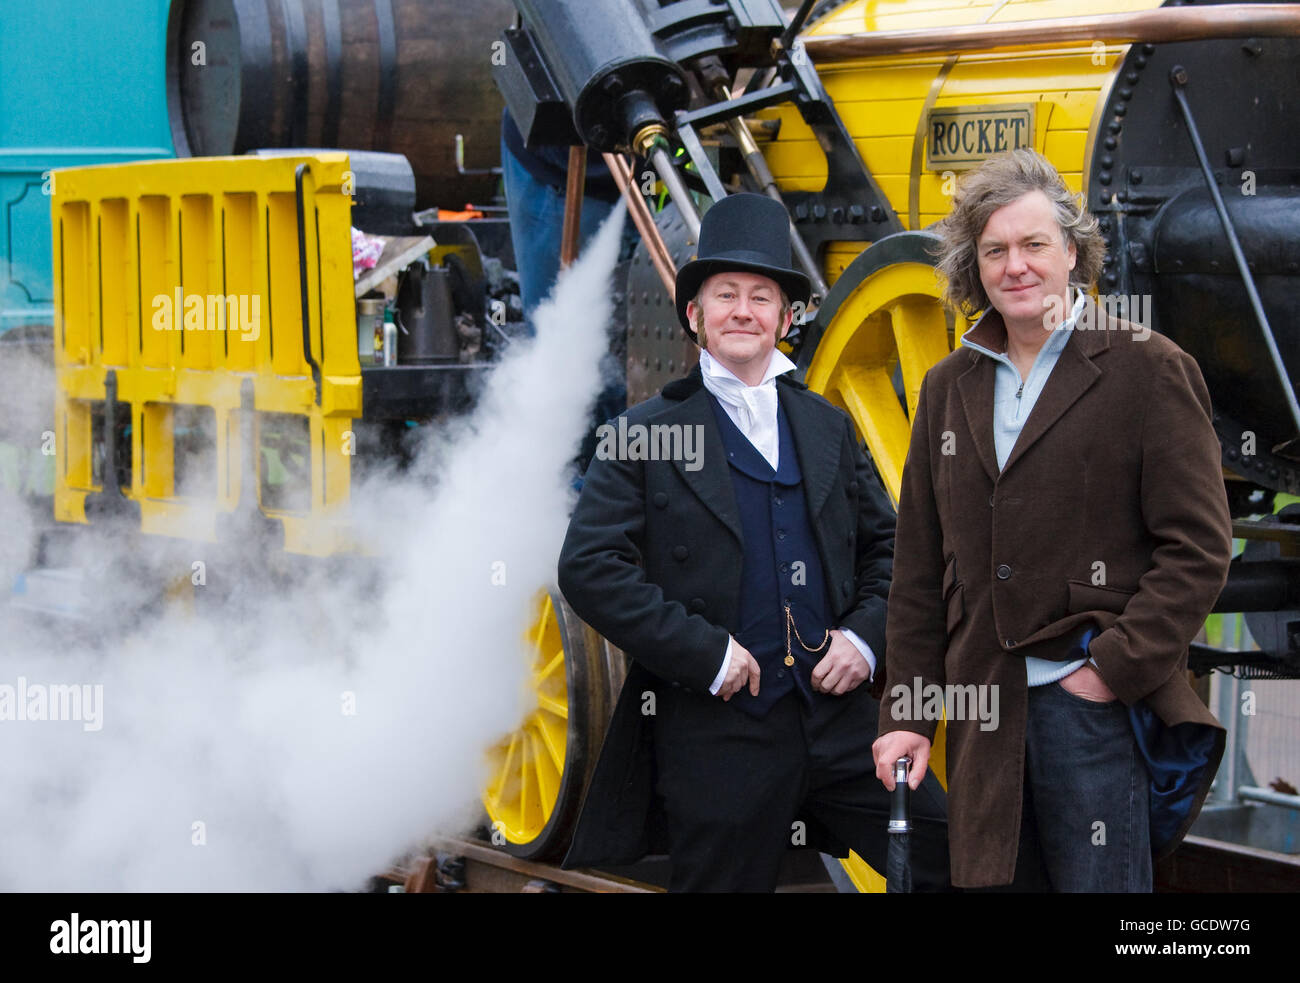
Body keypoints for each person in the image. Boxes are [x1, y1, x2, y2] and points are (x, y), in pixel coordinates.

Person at [557, 193, 950, 892]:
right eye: (726, 294)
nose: (744, 310)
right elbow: (589, 567)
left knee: (957, 857)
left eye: (762, 296)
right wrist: (705, 652)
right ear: (695, 316)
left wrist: (863, 640)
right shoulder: (644, 430)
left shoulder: (828, 424)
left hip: (839, 723)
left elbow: (893, 552)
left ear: (785, 317)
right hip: (718, 731)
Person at [873, 148, 1232, 891]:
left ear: (1072, 251)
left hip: (1092, 708)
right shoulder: (947, 385)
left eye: (1035, 244)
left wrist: (1111, 668)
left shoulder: (1150, 368)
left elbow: (1198, 547)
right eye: (996, 250)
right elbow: (916, 569)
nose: (1017, 266)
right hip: (983, 711)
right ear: (976, 267)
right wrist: (906, 712)